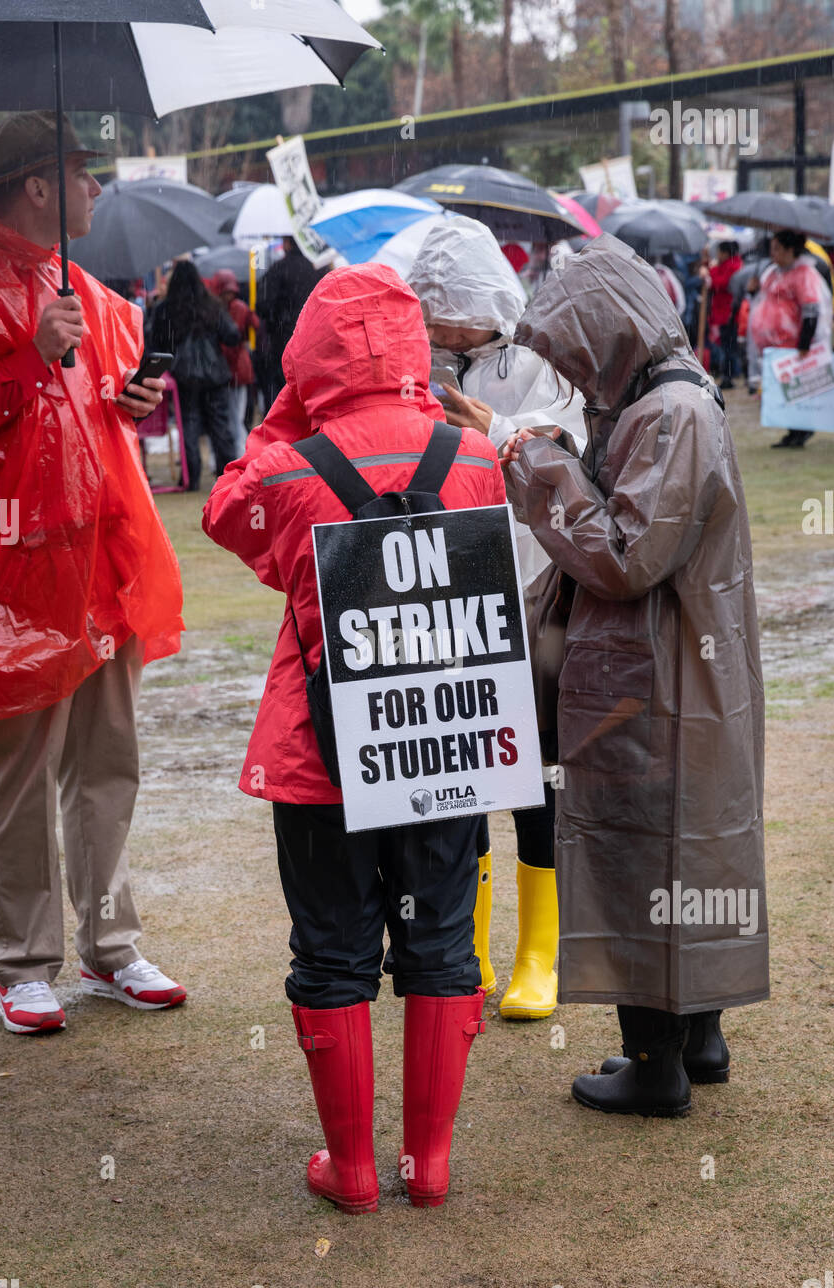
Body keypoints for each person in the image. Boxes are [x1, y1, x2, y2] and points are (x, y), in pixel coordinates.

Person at [203, 264, 505, 1212]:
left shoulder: (286, 469)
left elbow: (226, 518)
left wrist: (290, 411)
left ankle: (356, 1171)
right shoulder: (474, 458)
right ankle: (431, 1163)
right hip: (442, 748)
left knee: (332, 948)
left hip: (319, 754)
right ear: (415, 348)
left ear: (308, 359)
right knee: (444, 941)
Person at [503, 233, 769, 1117]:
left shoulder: (669, 414)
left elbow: (622, 556)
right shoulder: (671, 398)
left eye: (580, 357)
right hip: (681, 669)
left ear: (613, 331)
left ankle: (655, 1062)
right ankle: (698, 1036)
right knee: (691, 841)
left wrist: (545, 477)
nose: (577, 378)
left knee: (639, 846)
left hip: (654, 679)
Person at [0, 111, 186, 1034]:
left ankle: (112, 944)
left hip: (102, 559)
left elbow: (94, 418)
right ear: (38, 184)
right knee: (15, 767)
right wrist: (22, 353)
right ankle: (23, 960)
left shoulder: (76, 284)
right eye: (83, 174)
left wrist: (134, 399)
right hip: (13, 573)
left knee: (107, 759)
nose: (96, 189)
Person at [407, 214, 586, 1020]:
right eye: (432, 314)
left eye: (457, 313)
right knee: (460, 765)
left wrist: (496, 430)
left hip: (537, 585)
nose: (445, 328)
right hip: (452, 596)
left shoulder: (540, 366)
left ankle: (540, 951)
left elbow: (573, 456)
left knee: (538, 768)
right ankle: (466, 943)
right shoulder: (414, 363)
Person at [147, 259, 241, 489]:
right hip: (215, 374)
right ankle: (228, 477)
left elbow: (154, 342)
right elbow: (232, 335)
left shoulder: (165, 309)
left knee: (188, 424)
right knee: (221, 426)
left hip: (184, 375)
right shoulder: (212, 305)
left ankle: (192, 477)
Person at [748, 229, 832, 448]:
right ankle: (793, 430)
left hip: (791, 343)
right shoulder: (773, 272)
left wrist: (805, 342)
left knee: (792, 390)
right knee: (778, 391)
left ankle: (800, 430)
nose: (773, 253)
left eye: (777, 248)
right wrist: (753, 290)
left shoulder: (804, 274)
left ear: (789, 249)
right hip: (772, 345)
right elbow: (763, 301)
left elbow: (811, 309)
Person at [258, 235, 329, 409]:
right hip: (316, 340)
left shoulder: (278, 269)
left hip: (283, 340)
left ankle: (284, 432)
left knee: (284, 390)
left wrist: (278, 318)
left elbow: (262, 305)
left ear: (288, 244)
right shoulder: (320, 269)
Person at [209, 268, 260, 454]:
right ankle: (240, 454)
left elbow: (252, 327)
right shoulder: (237, 307)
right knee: (235, 418)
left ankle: (240, 455)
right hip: (235, 368)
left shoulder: (222, 309)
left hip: (233, 369)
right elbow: (255, 325)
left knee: (234, 418)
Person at [703, 240, 743, 388]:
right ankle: (728, 374)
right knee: (726, 345)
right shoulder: (726, 265)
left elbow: (721, 283)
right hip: (723, 312)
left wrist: (709, 276)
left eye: (719, 252)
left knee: (729, 346)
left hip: (730, 313)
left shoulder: (734, 267)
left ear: (726, 253)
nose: (718, 255)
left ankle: (729, 375)